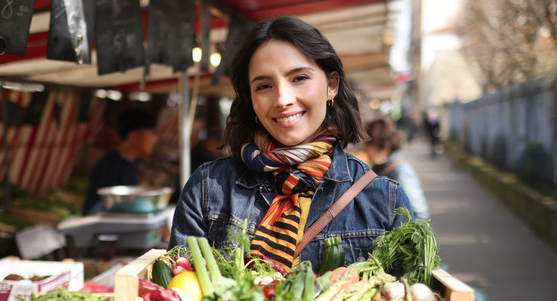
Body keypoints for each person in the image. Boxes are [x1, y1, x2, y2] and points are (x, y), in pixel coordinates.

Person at [167, 16, 413, 273]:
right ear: (250, 99)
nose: (282, 100)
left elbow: (405, 296)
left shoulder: (383, 201)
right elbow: (180, 287)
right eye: (264, 86)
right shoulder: (209, 189)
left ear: (331, 85)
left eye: (299, 78)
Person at [82, 108, 159, 215]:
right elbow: (93, 210)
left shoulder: (132, 164)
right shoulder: (109, 167)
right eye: (151, 134)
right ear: (134, 137)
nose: (155, 140)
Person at [363, 117, 431, 221]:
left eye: (368, 144)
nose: (365, 149)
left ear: (385, 145)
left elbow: (420, 214)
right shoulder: (378, 167)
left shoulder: (401, 171)